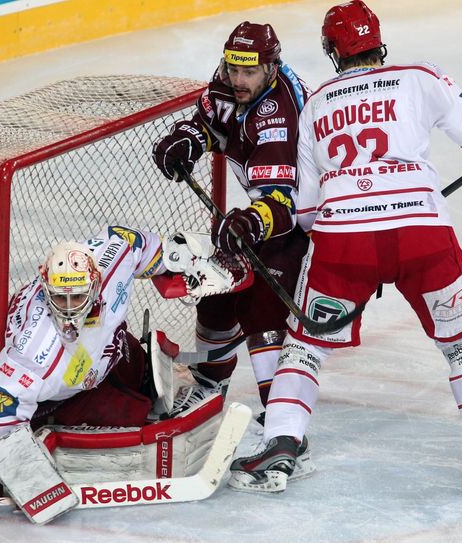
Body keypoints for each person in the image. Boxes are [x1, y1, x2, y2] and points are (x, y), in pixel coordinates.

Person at [228, 0, 462, 494]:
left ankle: (281, 448)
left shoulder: (319, 101)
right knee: (461, 343)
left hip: (344, 243)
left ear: (331, 50)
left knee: (304, 349)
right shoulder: (418, 76)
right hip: (422, 236)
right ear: (378, 41)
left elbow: (305, 210)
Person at [0, 225, 251, 522]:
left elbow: (130, 242)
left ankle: (132, 376)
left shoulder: (108, 261)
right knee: (131, 411)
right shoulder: (36, 354)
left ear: (95, 283)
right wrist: (20, 473)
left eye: (76, 298)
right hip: (54, 392)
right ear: (46, 288)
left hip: (94, 358)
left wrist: (178, 259)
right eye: (59, 298)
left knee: (132, 362)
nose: (68, 310)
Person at [152, 21, 311, 426]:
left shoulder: (278, 114)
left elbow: (282, 206)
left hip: (313, 219)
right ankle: (209, 383)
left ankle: (280, 417)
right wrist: (188, 138)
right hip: (270, 212)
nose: (238, 80)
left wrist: (251, 222)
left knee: (263, 304)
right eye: (233, 69)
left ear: (271, 70)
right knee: (217, 290)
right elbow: (210, 126)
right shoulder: (229, 81)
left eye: (249, 72)